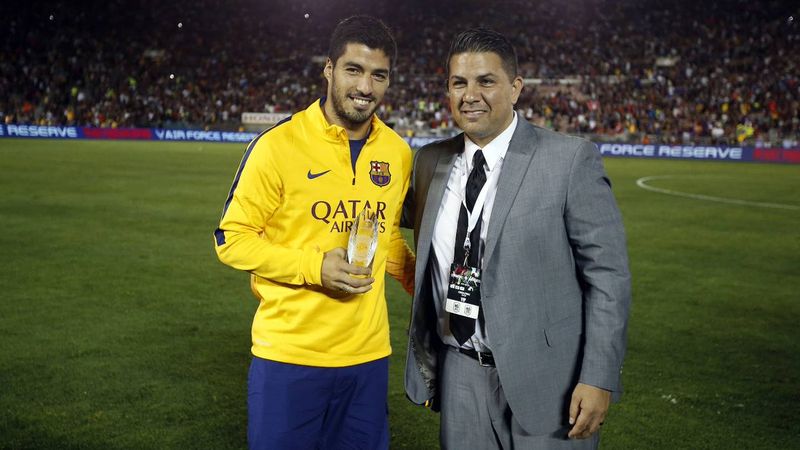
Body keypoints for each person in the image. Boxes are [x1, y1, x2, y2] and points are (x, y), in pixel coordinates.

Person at [403, 28, 631, 449]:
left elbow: (608, 277)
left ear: (515, 88)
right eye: (459, 83)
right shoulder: (430, 161)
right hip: (460, 375)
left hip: (551, 381)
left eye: (486, 81)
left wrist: (598, 376)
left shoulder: (568, 159)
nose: (470, 95)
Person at [213, 15, 414, 450]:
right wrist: (314, 266)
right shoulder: (277, 145)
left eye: (379, 75)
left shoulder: (397, 152)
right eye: (354, 70)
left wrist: (425, 282)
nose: (365, 87)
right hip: (290, 357)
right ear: (329, 69)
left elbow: (387, 238)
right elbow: (232, 239)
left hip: (368, 357)